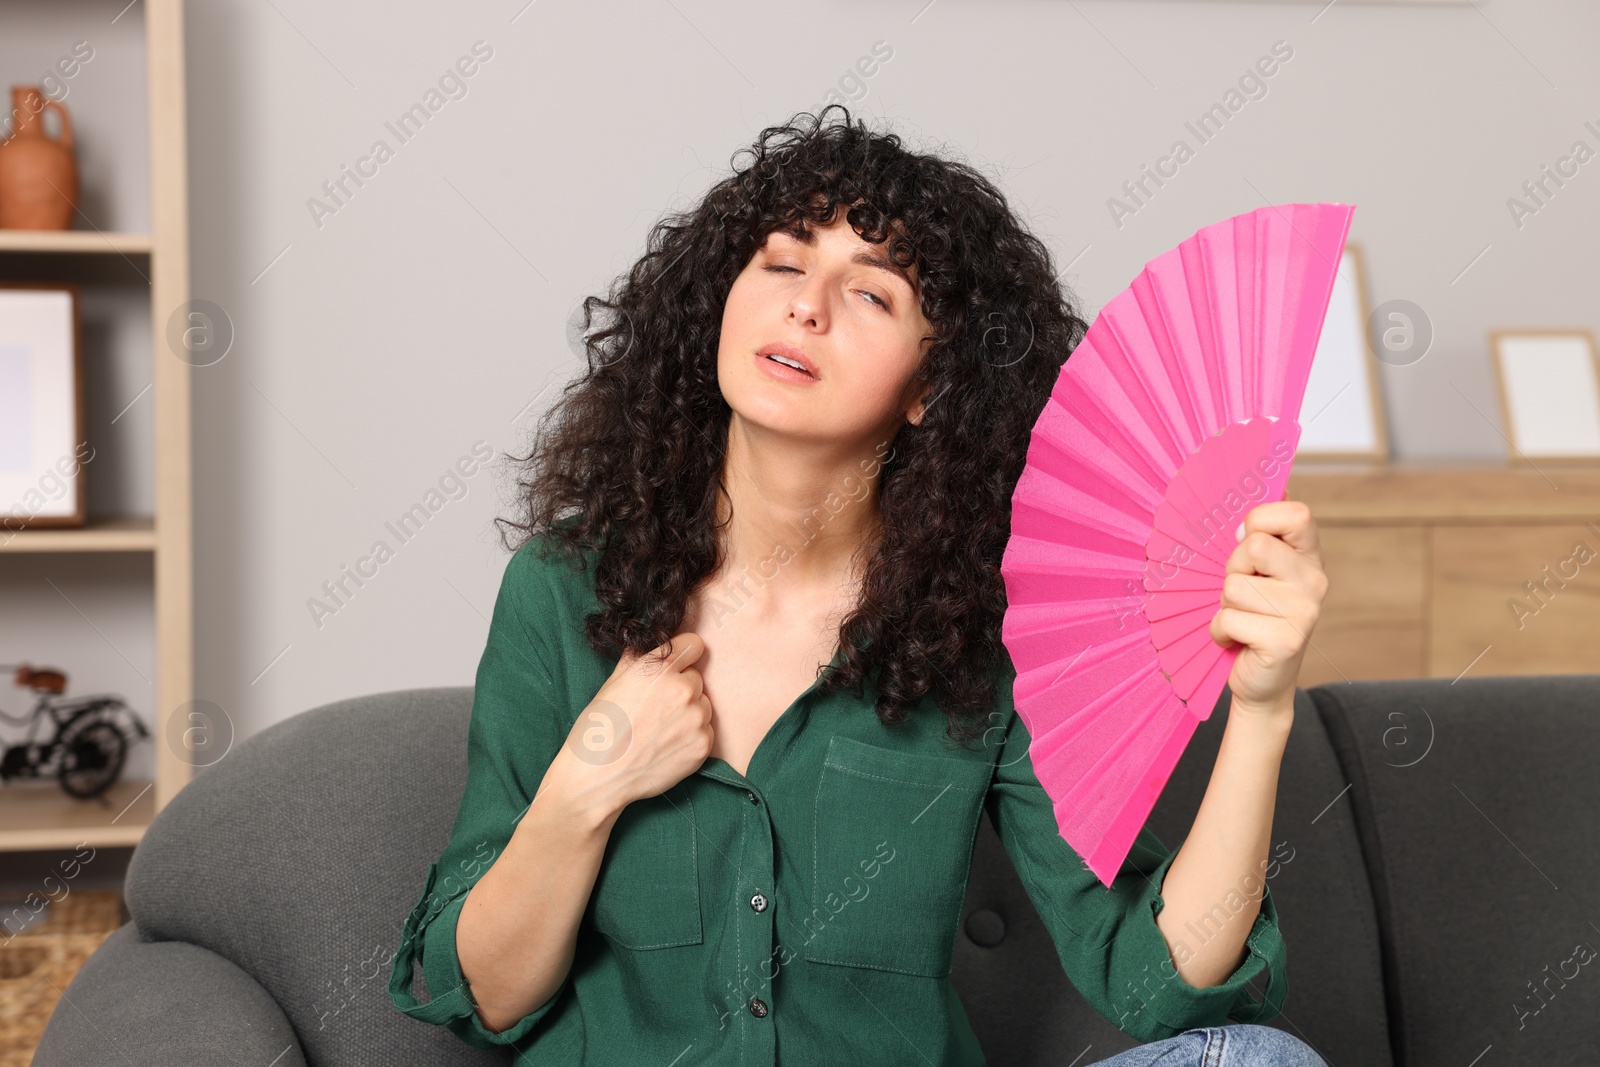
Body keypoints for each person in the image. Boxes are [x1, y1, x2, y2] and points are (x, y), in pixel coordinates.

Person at [387, 104, 1330, 1066]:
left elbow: (1152, 976)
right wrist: (588, 782)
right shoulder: (560, 590)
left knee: (1258, 1061)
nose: (807, 305)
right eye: (783, 263)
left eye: (872, 296)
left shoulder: (987, 636)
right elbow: (489, 995)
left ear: (933, 387)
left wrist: (1260, 711)